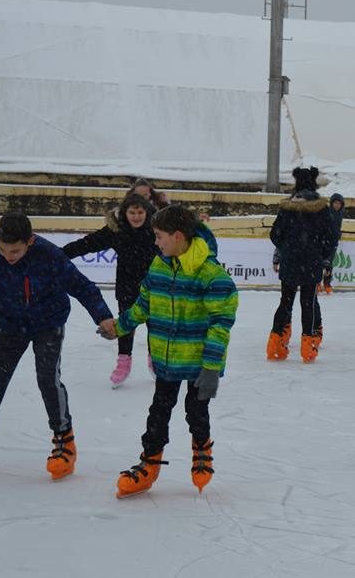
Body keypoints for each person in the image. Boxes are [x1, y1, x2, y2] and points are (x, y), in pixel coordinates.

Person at [0, 212, 115, 479]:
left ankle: (64, 440)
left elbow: (82, 286)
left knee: (47, 379)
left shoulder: (49, 255)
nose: (8, 256)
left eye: (15, 251)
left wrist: (103, 316)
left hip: (48, 325)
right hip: (10, 325)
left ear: (29, 241)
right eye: (3, 249)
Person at [106, 205, 238, 497]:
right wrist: (120, 327)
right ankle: (149, 462)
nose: (156, 242)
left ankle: (202, 448)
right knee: (158, 412)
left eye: (159, 236)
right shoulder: (159, 265)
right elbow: (143, 305)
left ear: (178, 236)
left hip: (198, 362)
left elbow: (221, 324)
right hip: (166, 359)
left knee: (196, 411)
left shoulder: (211, 275)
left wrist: (211, 367)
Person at [62, 193, 157, 387]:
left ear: (147, 212)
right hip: (127, 287)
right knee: (125, 324)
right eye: (132, 212)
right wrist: (60, 254)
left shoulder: (157, 230)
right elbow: (88, 244)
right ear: (125, 213)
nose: (137, 216)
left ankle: (155, 362)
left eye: (140, 212)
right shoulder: (117, 231)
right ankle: (123, 362)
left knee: (155, 326)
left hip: (155, 286)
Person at [268, 167, 337, 363]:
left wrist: (287, 248)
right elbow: (332, 238)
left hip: (290, 261)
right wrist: (319, 253)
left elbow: (274, 234)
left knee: (285, 302)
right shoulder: (321, 208)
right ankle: (308, 346)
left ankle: (274, 342)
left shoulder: (288, 207)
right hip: (311, 262)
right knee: (308, 303)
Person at [320, 193, 345, 294]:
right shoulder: (327, 213)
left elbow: (336, 228)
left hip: (333, 242)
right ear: (332, 203)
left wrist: (338, 234)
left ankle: (327, 284)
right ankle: (317, 283)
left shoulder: (340, 214)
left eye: (339, 203)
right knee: (321, 263)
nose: (337, 205)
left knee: (329, 264)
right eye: (335, 203)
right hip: (324, 242)